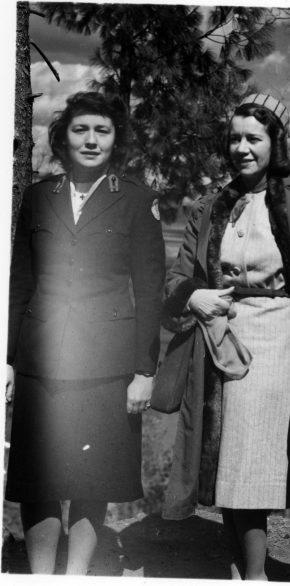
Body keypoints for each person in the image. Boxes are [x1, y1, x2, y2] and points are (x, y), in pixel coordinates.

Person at [161, 94, 290, 580]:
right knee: (225, 463)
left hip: (276, 334)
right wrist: (194, 297)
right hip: (218, 332)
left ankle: (254, 577)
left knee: (250, 465)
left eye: (254, 138)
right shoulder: (214, 203)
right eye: (234, 138)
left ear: (276, 141)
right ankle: (239, 571)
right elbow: (176, 279)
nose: (242, 147)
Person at [5, 91, 165, 574]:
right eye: (81, 129)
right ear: (62, 137)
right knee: (39, 481)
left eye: (103, 130)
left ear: (116, 140)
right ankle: (39, 579)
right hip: (41, 361)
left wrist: (143, 370)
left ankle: (74, 578)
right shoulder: (38, 196)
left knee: (91, 482)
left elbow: (151, 291)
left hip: (106, 366)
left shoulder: (137, 200)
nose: (91, 140)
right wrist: (7, 359)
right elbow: (18, 284)